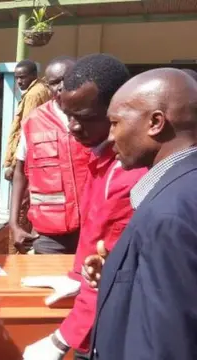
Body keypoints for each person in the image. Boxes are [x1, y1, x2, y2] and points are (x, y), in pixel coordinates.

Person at [22, 54, 147, 360]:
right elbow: (95, 237)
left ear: (118, 110)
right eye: (69, 116)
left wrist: (61, 340)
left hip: (112, 321)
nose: (74, 127)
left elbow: (112, 269)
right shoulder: (100, 156)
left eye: (86, 117)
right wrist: (76, 276)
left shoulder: (127, 172)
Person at [84, 68, 197, 360]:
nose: (109, 137)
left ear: (155, 123)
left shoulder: (169, 214)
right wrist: (119, 271)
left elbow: (166, 344)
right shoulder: (182, 189)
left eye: (115, 123)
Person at [9, 56, 88, 255]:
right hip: (49, 234)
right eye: (54, 83)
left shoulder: (96, 119)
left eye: (66, 79)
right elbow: (20, 172)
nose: (60, 87)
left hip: (91, 229)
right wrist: (14, 224)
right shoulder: (34, 121)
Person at [2, 59, 51, 181]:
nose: (19, 81)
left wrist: (13, 166)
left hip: (28, 158)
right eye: (17, 78)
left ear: (34, 75)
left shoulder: (32, 95)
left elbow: (25, 131)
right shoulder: (43, 89)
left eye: (23, 77)